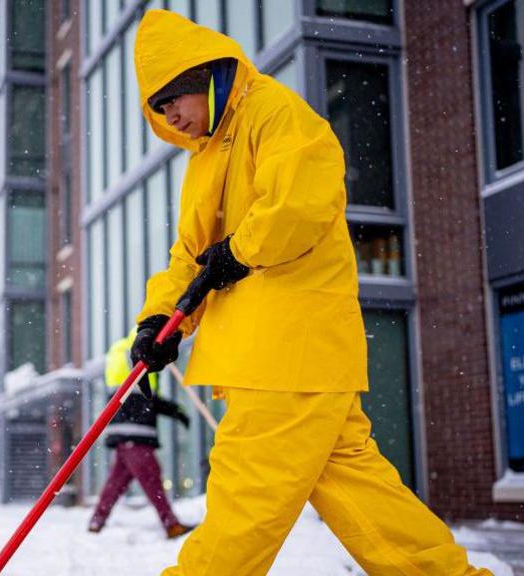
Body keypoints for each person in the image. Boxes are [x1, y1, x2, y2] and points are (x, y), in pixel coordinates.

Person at [128, 10, 491, 576]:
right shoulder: (204, 160)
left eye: (173, 96)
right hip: (292, 360)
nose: (169, 113)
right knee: (361, 495)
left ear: (205, 76)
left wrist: (240, 250)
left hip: (283, 352)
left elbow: (302, 203)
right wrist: (159, 321)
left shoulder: (274, 114)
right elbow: (190, 259)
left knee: (243, 506)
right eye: (158, 106)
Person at [88, 330, 197, 539]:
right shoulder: (138, 353)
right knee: (151, 477)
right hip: (135, 432)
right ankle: (170, 524)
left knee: (117, 481)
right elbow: (146, 401)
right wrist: (176, 411)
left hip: (124, 431)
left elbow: (146, 399)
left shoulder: (122, 352)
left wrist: (176, 411)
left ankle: (97, 520)